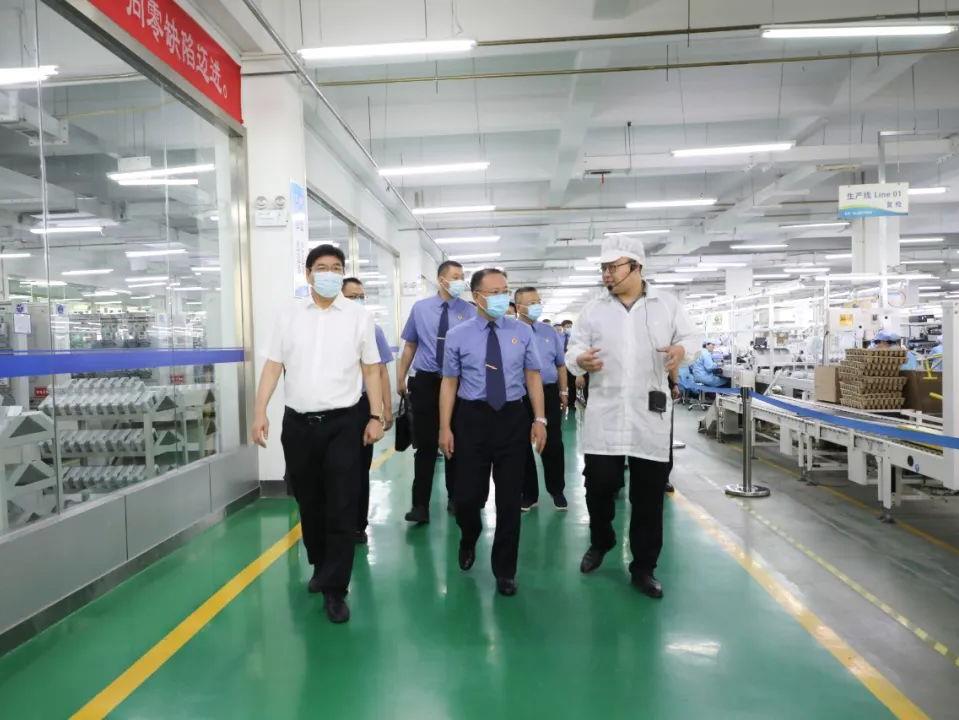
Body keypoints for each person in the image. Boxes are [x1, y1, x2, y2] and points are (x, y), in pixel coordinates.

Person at [252, 244, 386, 624]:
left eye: (337, 267)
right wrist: (259, 411)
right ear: (308, 274)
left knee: (342, 504)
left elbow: (371, 369)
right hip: (298, 425)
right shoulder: (288, 315)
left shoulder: (359, 316)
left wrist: (376, 416)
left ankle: (335, 588)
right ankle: (320, 564)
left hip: (344, 423)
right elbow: (273, 365)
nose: (330, 273)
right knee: (309, 502)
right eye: (322, 267)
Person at [566, 234, 698, 599]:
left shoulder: (666, 305)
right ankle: (602, 539)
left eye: (613, 267)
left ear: (637, 267)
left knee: (648, 495)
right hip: (605, 412)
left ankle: (643, 567)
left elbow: (692, 339)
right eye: (603, 268)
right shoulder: (593, 310)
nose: (606, 274)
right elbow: (574, 349)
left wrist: (681, 349)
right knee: (599, 484)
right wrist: (579, 360)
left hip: (649, 414)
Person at [439, 268, 547, 596]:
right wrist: (445, 427)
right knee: (467, 497)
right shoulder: (458, 335)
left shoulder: (521, 332)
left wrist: (540, 419)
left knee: (509, 499)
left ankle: (505, 570)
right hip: (471, 418)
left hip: (511, 417)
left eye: (505, 291)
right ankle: (469, 535)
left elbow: (532, 377)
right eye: (494, 292)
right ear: (477, 297)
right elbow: (449, 382)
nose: (502, 297)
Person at [396, 261, 475, 524]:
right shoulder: (420, 309)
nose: (460, 281)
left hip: (459, 382)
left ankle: (456, 497)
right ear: (441, 280)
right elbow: (410, 345)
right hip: (426, 382)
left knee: (457, 441)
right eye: (456, 276)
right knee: (426, 445)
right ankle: (420, 505)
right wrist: (400, 377)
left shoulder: (470, 311)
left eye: (462, 277)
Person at [342, 277, 395, 544]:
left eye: (361, 296)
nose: (358, 301)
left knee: (360, 467)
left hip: (362, 405)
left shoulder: (373, 329)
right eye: (352, 296)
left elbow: (381, 372)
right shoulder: (327, 330)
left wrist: (385, 409)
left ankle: (357, 525)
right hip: (336, 405)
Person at [514, 286, 568, 511]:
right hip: (519, 395)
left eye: (538, 301)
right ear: (519, 307)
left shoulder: (549, 332)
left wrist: (563, 391)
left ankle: (557, 490)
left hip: (548, 393)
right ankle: (529, 494)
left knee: (553, 443)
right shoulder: (510, 331)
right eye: (531, 302)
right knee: (521, 446)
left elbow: (560, 364)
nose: (537, 305)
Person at [561, 320, 576, 411]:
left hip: (571, 364)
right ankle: (561, 401)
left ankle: (571, 403)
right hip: (561, 364)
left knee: (572, 384)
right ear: (563, 327)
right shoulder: (559, 337)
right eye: (567, 326)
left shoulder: (574, 338)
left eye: (570, 326)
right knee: (561, 383)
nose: (569, 328)